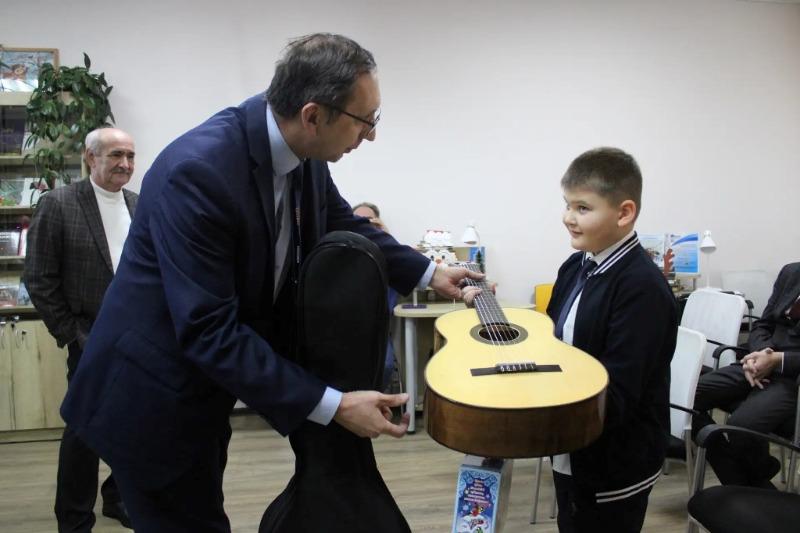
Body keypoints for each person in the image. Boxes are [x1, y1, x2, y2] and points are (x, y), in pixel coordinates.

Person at [59, 33, 480, 532]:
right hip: (151, 398)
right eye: (365, 121)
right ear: (313, 115)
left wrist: (431, 273)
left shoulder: (301, 151)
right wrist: (334, 405)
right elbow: (208, 329)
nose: (370, 136)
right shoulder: (199, 172)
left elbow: (340, 219)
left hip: (203, 389)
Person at [466, 147, 677, 532]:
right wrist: (488, 309)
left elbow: (616, 396)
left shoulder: (642, 289)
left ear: (624, 213)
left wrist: (530, 422)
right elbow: (551, 342)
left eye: (582, 208)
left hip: (613, 463)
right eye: (567, 205)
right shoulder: (579, 264)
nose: (567, 217)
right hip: (574, 450)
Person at [24, 127, 138, 531]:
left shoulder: (138, 204)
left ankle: (117, 496)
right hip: (88, 337)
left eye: (130, 155)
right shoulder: (59, 204)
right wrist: (71, 334)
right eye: (115, 155)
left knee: (131, 423)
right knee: (83, 431)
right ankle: (73, 517)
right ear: (90, 158)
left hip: (136, 338)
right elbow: (39, 278)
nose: (125, 164)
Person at [692, 262, 800, 488]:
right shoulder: (791, 272)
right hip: (758, 361)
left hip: (792, 377)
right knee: (687, 398)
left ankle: (750, 485)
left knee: (741, 426)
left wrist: (777, 359)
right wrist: (761, 353)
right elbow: (762, 324)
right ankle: (748, 478)